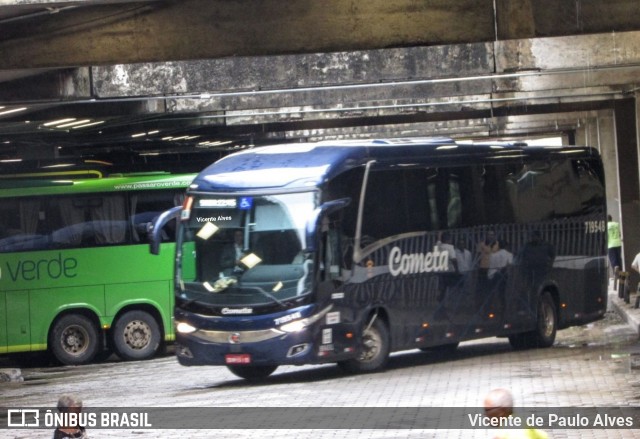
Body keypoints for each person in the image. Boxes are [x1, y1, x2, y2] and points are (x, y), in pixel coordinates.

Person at [483, 388, 548, 439]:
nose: (485, 414)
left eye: (487, 410)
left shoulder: (507, 434)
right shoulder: (521, 421)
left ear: (501, 411)